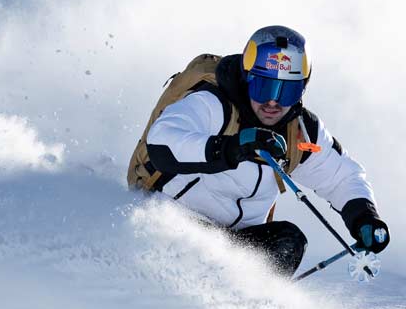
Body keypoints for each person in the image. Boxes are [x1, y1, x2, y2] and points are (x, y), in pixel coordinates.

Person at [127, 25, 389, 276]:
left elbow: (342, 177)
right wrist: (231, 148)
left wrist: (364, 217)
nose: (273, 102)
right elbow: (163, 141)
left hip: (234, 243)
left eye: (287, 91)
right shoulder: (213, 103)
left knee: (288, 241)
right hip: (173, 221)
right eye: (264, 87)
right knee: (192, 248)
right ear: (247, 78)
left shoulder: (300, 132)